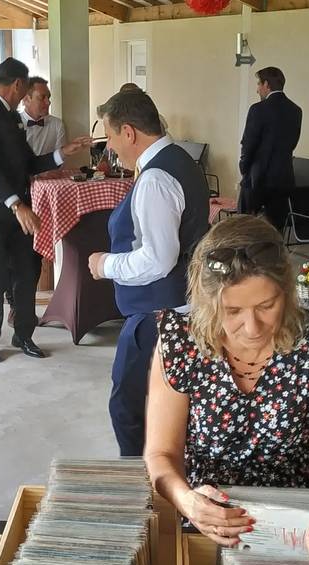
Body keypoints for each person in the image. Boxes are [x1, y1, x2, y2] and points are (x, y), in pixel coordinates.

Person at [144, 215, 309, 564]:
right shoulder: (182, 343)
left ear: (286, 290)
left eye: (266, 306)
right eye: (232, 310)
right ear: (207, 302)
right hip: (206, 518)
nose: (252, 327)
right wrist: (185, 499)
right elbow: (161, 454)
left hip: (298, 522)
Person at [87, 89, 209, 457]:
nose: (109, 147)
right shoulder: (180, 160)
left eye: (109, 136)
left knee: (130, 410)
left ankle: (144, 488)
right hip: (177, 306)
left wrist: (105, 264)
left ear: (129, 132)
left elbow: (158, 259)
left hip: (159, 315)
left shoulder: (156, 178)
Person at [0, 57, 91, 364]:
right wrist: (17, 204)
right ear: (19, 85)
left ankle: (25, 335)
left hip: (19, 212)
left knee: (26, 274)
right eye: (29, 92)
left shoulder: (13, 116)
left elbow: (27, 163)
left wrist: (63, 153)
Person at [238, 66, 303, 231]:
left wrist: (244, 168)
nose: (257, 89)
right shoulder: (295, 110)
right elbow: (293, 143)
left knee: (247, 228)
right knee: (275, 230)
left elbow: (249, 144)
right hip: (283, 178)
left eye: (259, 84)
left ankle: (248, 257)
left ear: (267, 84)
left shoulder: (258, 109)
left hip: (257, 179)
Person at [21, 77, 66, 156]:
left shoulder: (57, 124)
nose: (48, 102)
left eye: (48, 97)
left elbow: (61, 159)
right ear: (26, 100)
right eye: (42, 98)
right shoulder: (11, 124)